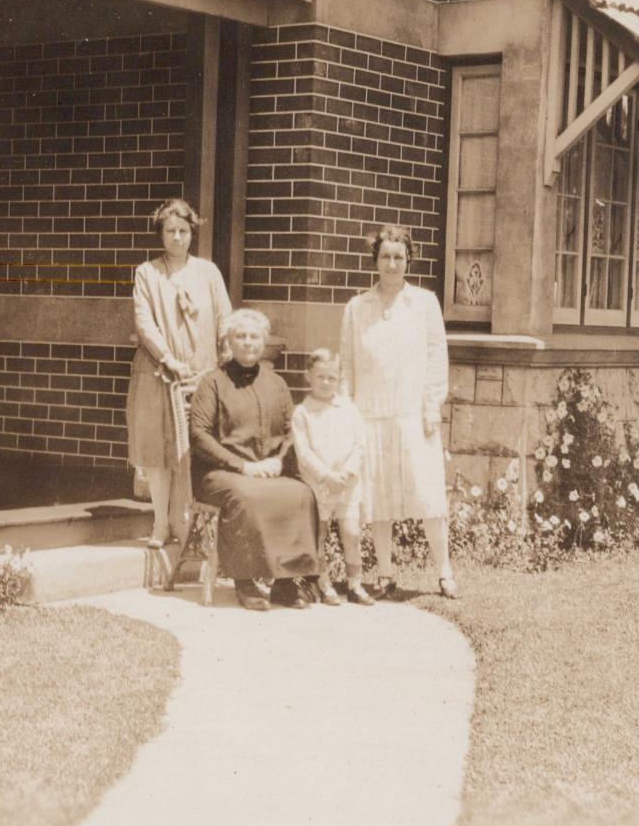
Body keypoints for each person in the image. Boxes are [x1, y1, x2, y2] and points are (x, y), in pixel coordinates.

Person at [339, 225, 457, 599]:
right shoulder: (357, 307)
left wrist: (432, 405)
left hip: (413, 414)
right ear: (375, 260)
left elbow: (437, 356)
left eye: (399, 257)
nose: (392, 264)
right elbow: (347, 365)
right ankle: (386, 572)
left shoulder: (424, 303)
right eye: (385, 256)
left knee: (428, 495)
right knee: (378, 498)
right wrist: (347, 414)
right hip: (370, 414)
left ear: (409, 261)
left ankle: (444, 571)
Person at [190, 309, 327, 611]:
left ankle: (286, 582)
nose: (248, 342)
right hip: (220, 473)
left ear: (264, 342)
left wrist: (279, 461)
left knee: (301, 493)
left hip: (267, 470)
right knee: (247, 497)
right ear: (229, 341)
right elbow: (199, 435)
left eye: (254, 336)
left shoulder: (276, 383)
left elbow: (292, 431)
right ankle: (246, 580)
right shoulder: (212, 383)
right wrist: (243, 466)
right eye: (240, 336)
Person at [126, 199, 232, 548]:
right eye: (169, 231)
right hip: (159, 375)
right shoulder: (147, 273)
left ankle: (190, 528)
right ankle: (160, 523)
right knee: (158, 451)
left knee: (192, 452)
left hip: (200, 377)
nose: (176, 237)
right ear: (160, 234)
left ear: (192, 233)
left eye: (183, 231)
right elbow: (145, 324)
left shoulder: (208, 273)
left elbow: (223, 318)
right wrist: (168, 359)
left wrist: (226, 350)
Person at [292, 349, 374, 606]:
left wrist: (347, 472)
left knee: (351, 533)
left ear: (339, 379)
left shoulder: (348, 409)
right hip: (319, 485)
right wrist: (326, 476)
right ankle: (324, 582)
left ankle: (355, 584)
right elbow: (303, 452)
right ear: (308, 376)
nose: (326, 383)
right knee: (320, 533)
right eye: (320, 377)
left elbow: (360, 444)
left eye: (331, 377)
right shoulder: (303, 413)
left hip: (347, 483)